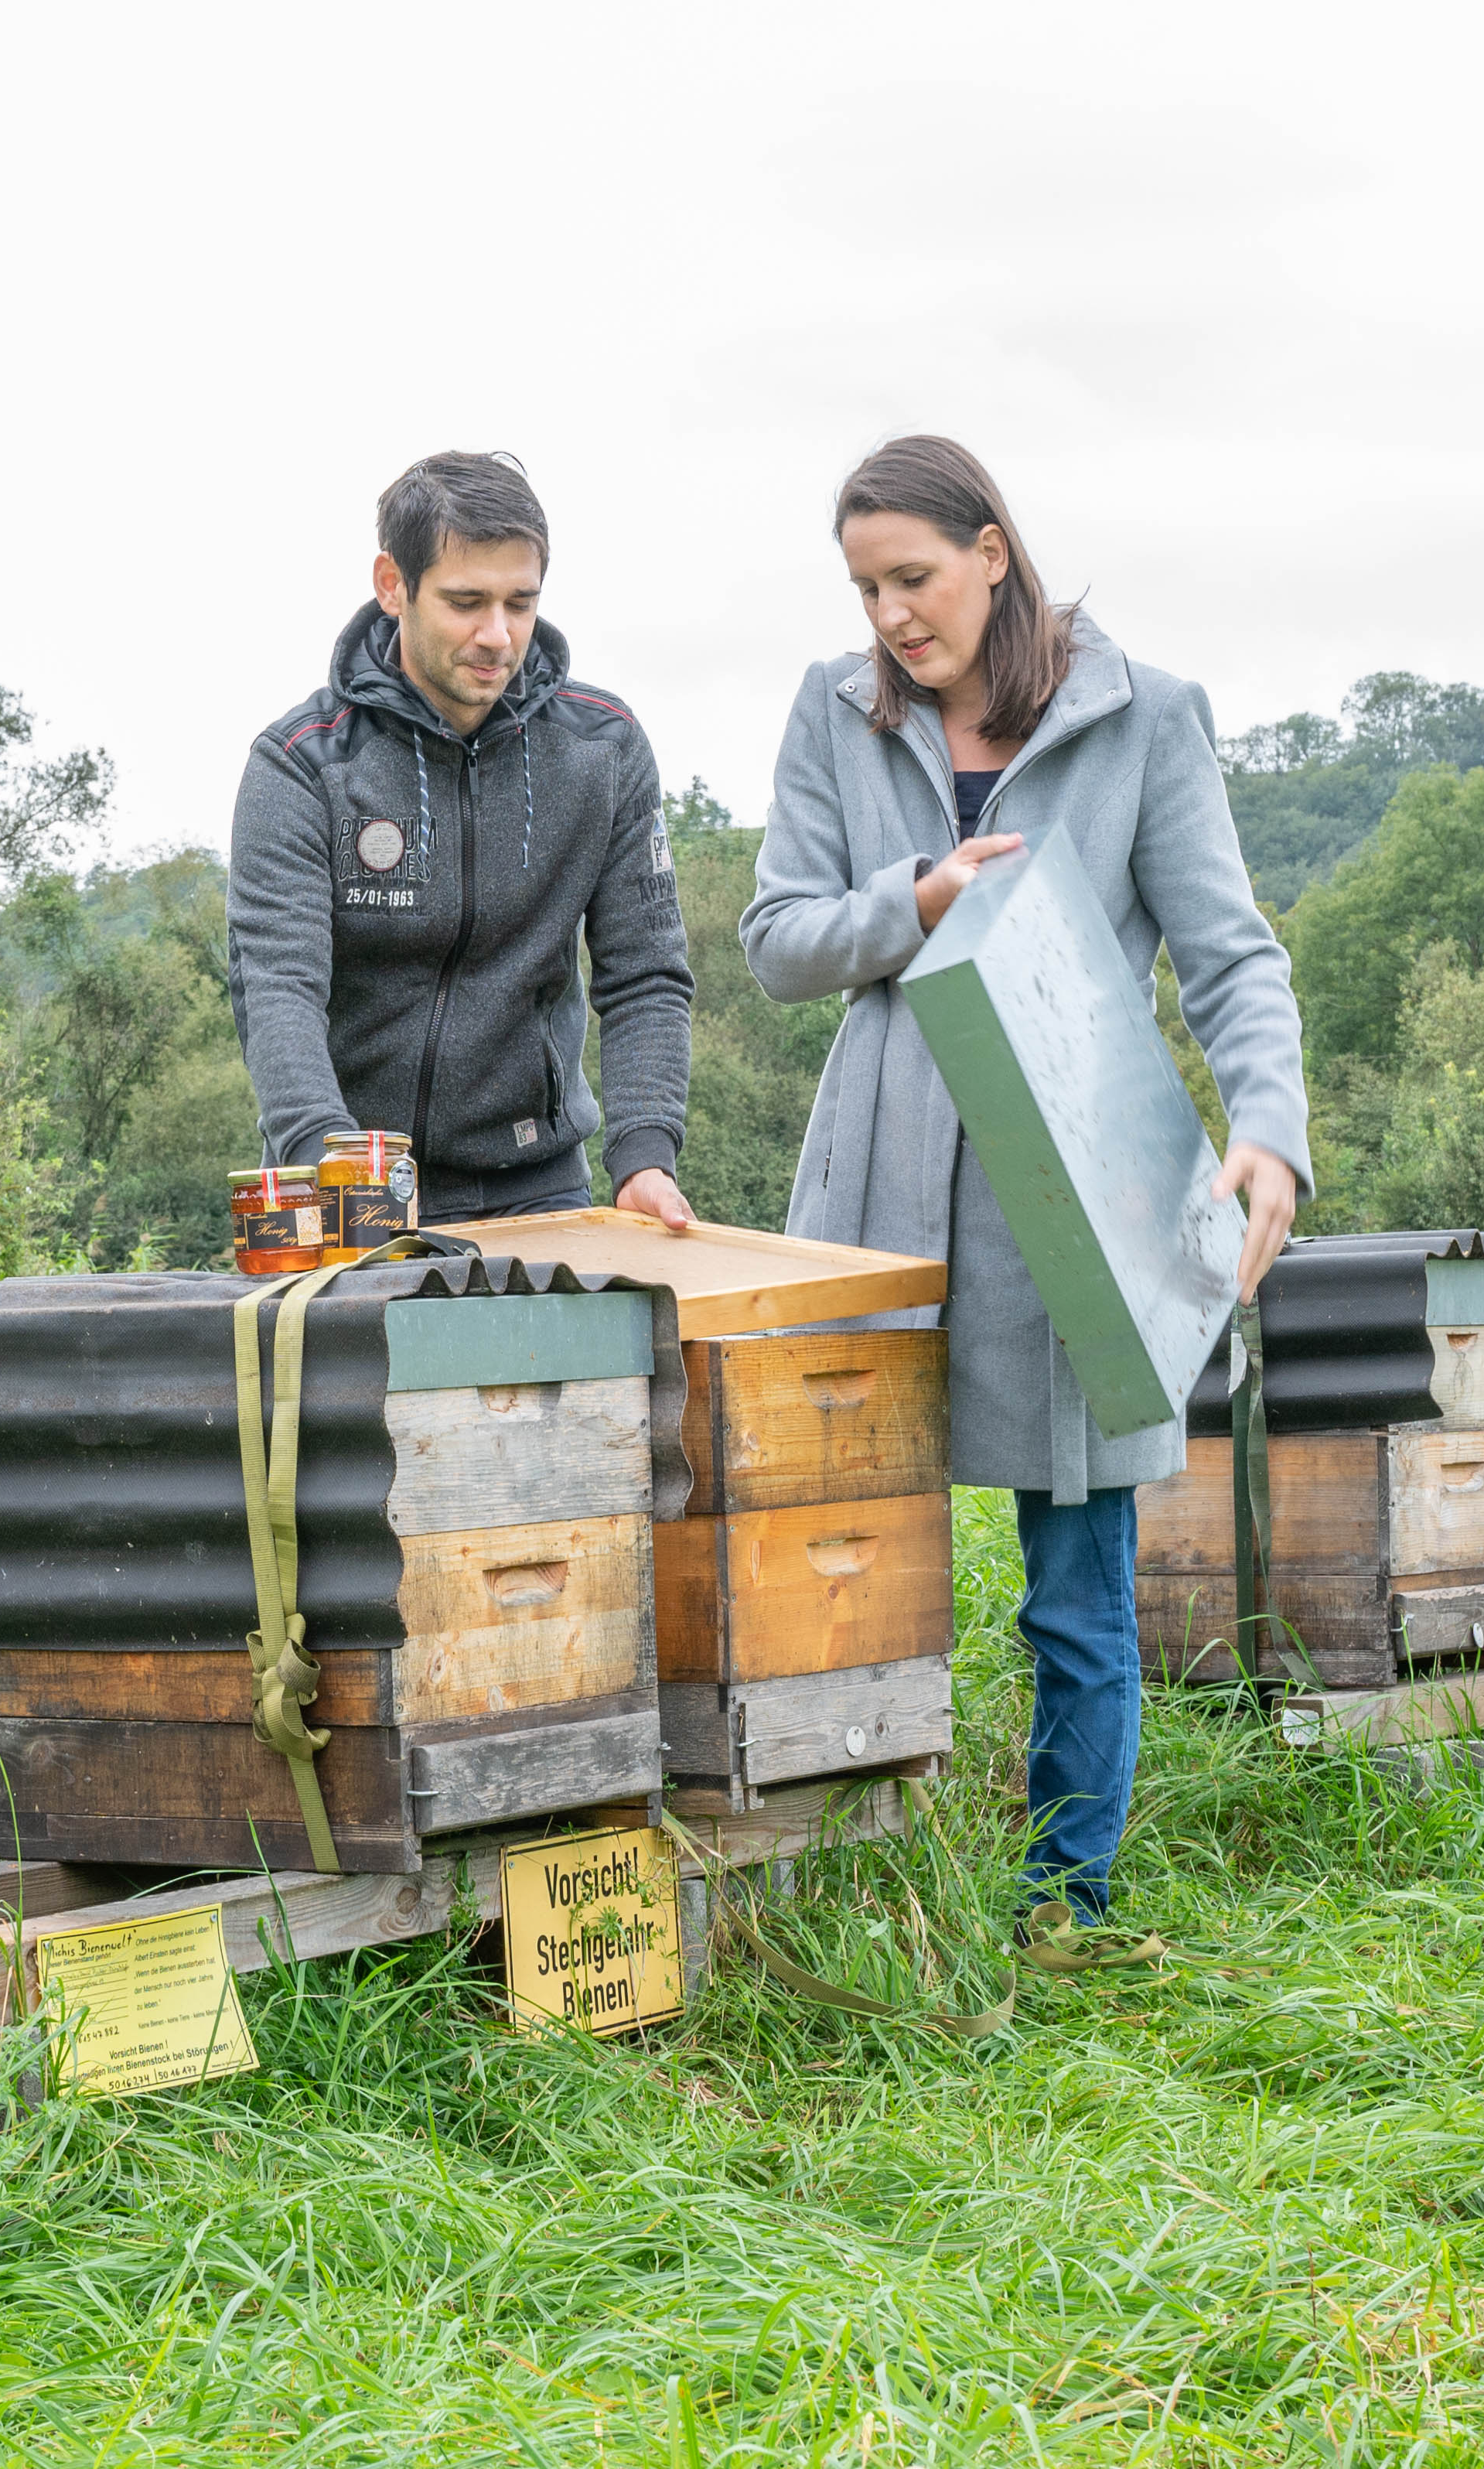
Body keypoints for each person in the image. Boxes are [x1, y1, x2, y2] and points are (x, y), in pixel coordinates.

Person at [743, 435, 1308, 1940]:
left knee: (1078, 1587)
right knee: (847, 1567)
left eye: (913, 577)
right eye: (865, 587)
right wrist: (914, 902)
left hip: (1076, 1196)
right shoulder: (833, 714)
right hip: (875, 1192)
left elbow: (1233, 954)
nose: (890, 616)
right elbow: (779, 938)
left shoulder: (1148, 719)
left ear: (993, 551)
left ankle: (1068, 1902)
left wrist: (1271, 1129)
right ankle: (847, 1889)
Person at [230, 449, 696, 1231]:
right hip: (342, 1177)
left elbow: (645, 972)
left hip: (537, 1183)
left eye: (521, 602)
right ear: (392, 585)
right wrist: (328, 1155)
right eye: (466, 601)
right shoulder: (301, 763)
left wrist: (645, 1153)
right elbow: (278, 984)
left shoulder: (604, 750)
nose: (498, 635)